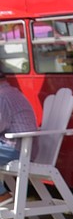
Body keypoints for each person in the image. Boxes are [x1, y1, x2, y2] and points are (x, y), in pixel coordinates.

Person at [0, 70, 37, 204]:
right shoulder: (9, 92)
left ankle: (2, 195)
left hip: (16, 149)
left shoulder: (2, 97)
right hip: (17, 146)